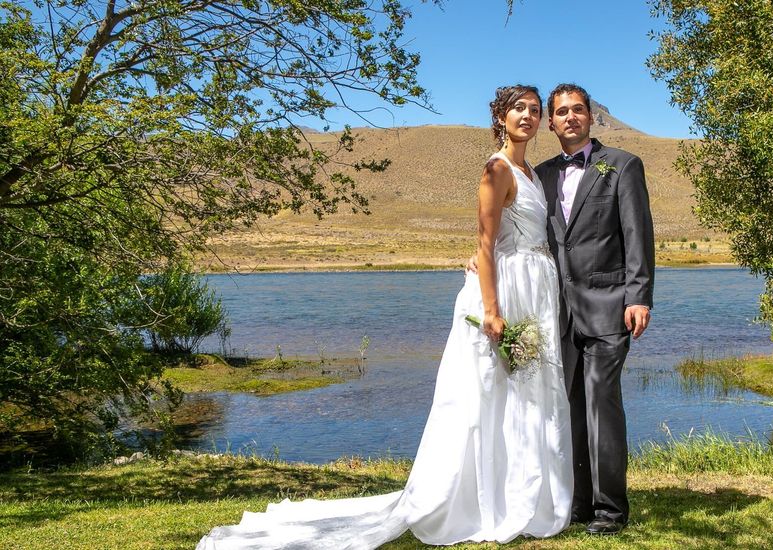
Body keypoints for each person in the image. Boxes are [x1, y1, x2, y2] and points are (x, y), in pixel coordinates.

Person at [196, 85, 574, 549]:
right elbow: (486, 243)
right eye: (520, 108)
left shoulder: (529, 172)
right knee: (491, 396)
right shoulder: (496, 169)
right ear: (500, 115)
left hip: (535, 286)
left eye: (536, 111)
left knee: (529, 390)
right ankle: (486, 501)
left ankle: (524, 494)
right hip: (508, 290)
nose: (529, 116)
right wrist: (492, 311)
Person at [537, 83, 654, 535]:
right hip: (557, 312)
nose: (570, 117)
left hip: (609, 305)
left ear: (591, 117)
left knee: (602, 403)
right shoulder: (541, 174)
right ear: (551, 122)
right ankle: (579, 503)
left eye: (578, 110)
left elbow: (637, 233)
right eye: (562, 112)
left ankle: (611, 510)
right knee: (569, 406)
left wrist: (639, 295)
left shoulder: (622, 166)